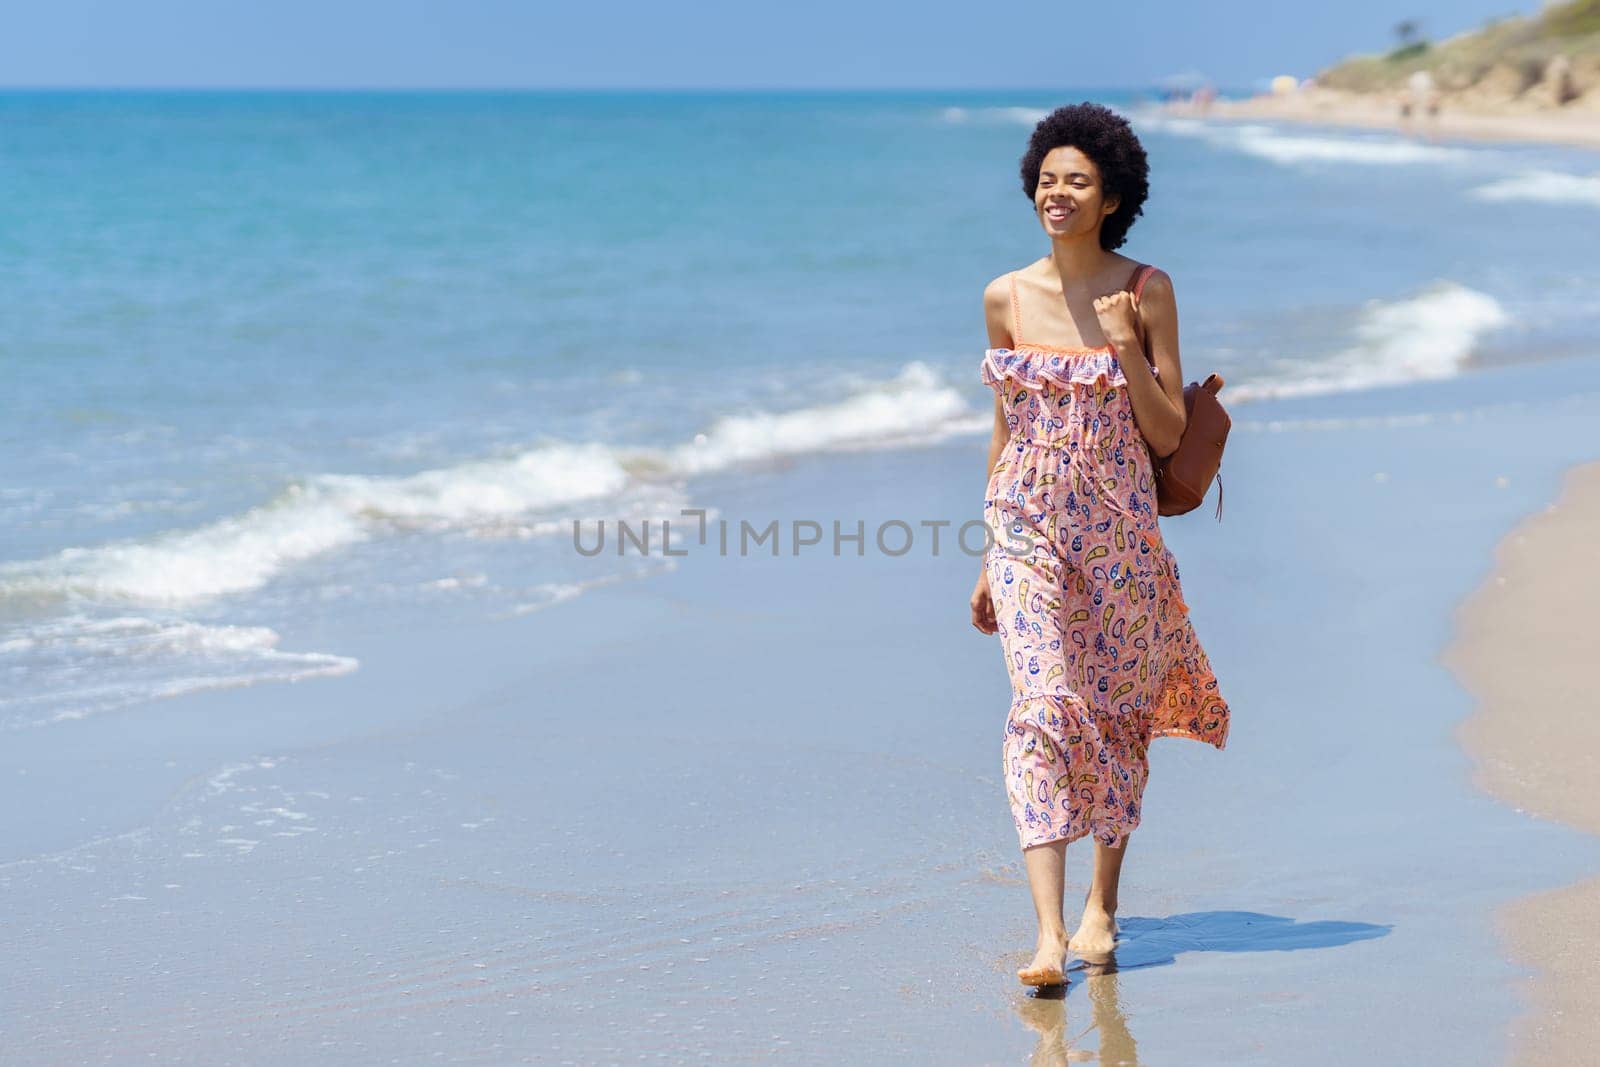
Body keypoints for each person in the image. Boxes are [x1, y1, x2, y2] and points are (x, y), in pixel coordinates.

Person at [968, 102, 1231, 987]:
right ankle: (1047, 933)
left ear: (1112, 196)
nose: (1058, 193)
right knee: (1042, 705)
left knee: (1115, 711)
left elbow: (1164, 434)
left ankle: (1101, 905)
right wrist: (985, 553)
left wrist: (1124, 345)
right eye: (1046, 179)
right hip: (1026, 526)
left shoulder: (1147, 289)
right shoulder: (1005, 295)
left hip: (1118, 531)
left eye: (1077, 181)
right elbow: (1004, 428)